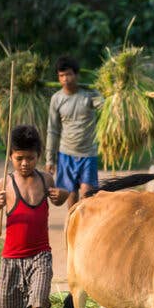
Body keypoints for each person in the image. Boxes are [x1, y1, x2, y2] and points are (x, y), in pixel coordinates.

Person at [0, 125, 69, 308]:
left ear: (38, 156)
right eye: (19, 158)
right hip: (11, 258)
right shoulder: (4, 183)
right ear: (10, 156)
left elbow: (59, 199)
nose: (24, 163)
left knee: (39, 303)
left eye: (30, 158)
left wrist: (62, 195)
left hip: (40, 255)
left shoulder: (46, 179)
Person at [44, 56, 103, 207]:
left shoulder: (89, 95)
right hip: (66, 154)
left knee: (87, 194)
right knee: (70, 194)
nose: (65, 79)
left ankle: (84, 227)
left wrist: (114, 97)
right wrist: (50, 159)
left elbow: (106, 107)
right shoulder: (56, 99)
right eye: (61, 76)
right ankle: (72, 225)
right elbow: (53, 130)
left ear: (76, 75)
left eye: (69, 74)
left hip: (88, 153)